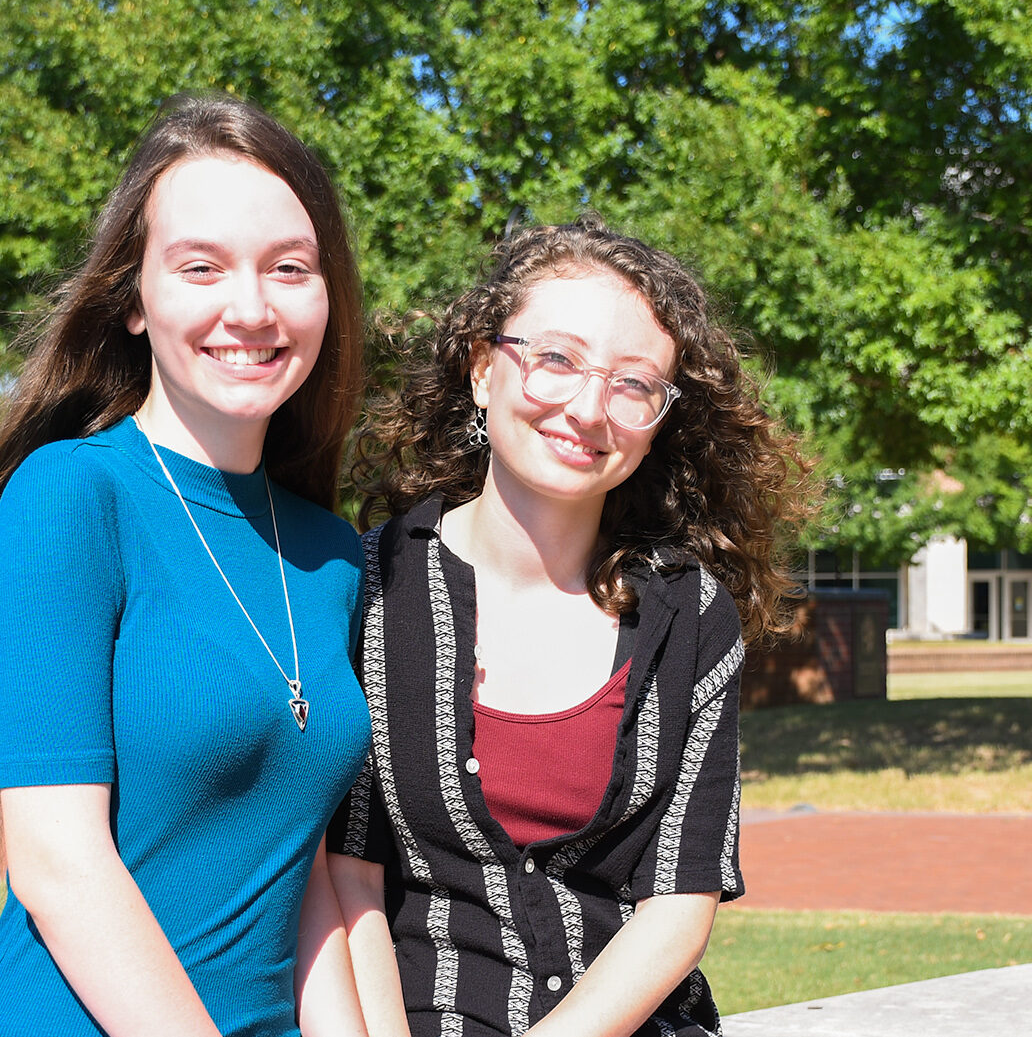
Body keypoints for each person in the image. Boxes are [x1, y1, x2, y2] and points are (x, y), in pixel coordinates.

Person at [0, 94, 374, 1037]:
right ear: (134, 300)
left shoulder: (331, 554)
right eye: (200, 266)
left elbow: (308, 875)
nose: (249, 307)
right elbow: (58, 865)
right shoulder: (72, 495)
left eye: (289, 268)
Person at [325, 218, 813, 1037]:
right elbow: (350, 880)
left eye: (633, 383)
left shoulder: (689, 616)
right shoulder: (367, 588)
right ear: (483, 368)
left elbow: (676, 906)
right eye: (556, 358)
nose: (588, 407)